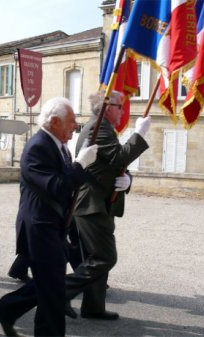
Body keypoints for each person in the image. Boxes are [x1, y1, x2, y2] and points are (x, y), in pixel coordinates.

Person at [0, 97, 98, 337]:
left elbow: (71, 178)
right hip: (39, 228)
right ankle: (8, 312)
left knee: (50, 286)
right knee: (53, 291)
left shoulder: (58, 146)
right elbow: (57, 186)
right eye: (71, 121)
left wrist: (108, 180)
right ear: (55, 122)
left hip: (53, 226)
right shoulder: (38, 147)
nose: (75, 126)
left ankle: (5, 310)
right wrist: (81, 164)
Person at [65, 90, 151, 320]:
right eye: (120, 106)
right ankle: (59, 292)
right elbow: (119, 158)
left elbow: (113, 166)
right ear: (107, 107)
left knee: (95, 258)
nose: (123, 111)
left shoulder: (103, 128)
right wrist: (139, 133)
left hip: (99, 203)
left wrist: (128, 180)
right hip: (91, 205)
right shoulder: (97, 128)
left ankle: (93, 307)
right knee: (104, 258)